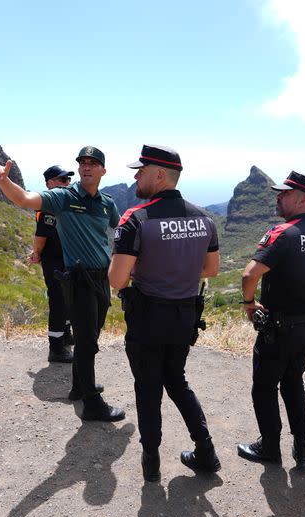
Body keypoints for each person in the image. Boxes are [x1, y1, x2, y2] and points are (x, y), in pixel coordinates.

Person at [108, 144, 221, 482]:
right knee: (177, 381)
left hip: (147, 317)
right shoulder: (205, 219)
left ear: (159, 175)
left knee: (148, 387)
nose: (136, 176)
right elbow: (211, 270)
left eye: (140, 171)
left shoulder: (136, 219)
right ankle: (206, 449)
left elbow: (117, 278)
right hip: (184, 317)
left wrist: (147, 265)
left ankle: (151, 462)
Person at [0, 146, 125, 422]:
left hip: (101, 278)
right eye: (82, 162)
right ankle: (92, 403)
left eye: (92, 163)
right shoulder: (63, 197)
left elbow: (121, 229)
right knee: (86, 343)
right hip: (78, 280)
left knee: (91, 337)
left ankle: (78, 386)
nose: (86, 167)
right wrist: (5, 182)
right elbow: (26, 199)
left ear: (103, 170)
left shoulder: (106, 203)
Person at [236, 171, 305, 468]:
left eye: (285, 193)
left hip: (277, 328)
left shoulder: (283, 233)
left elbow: (249, 274)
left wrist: (250, 304)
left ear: (302, 199)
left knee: (264, 387)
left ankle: (269, 447)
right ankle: (302, 450)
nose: (278, 196)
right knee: (293, 384)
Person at [31, 165, 75, 363]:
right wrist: (36, 253)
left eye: (68, 180)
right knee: (58, 301)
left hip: (66, 260)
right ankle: (56, 348)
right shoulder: (49, 206)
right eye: (62, 180)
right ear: (50, 183)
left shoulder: (61, 203)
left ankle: (65, 336)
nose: (67, 183)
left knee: (68, 299)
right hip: (54, 261)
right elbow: (41, 236)